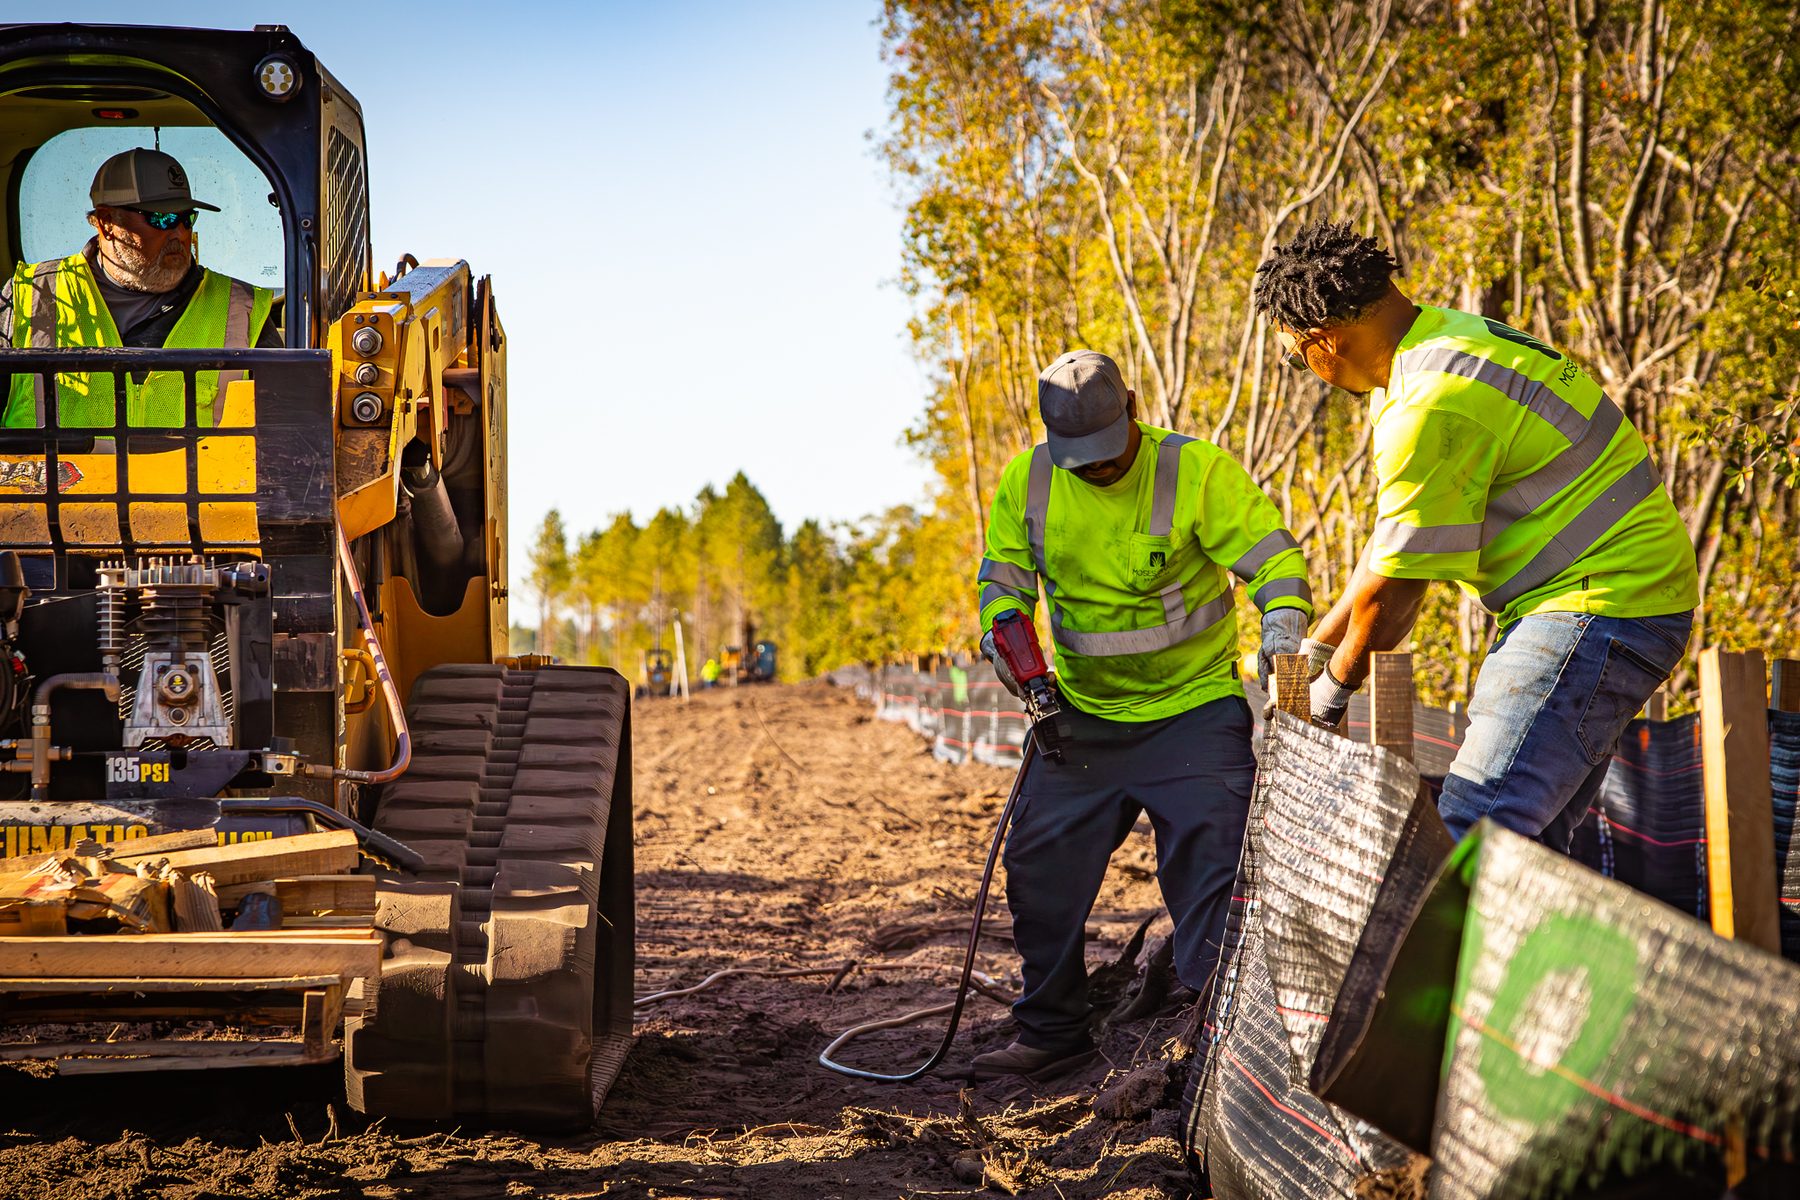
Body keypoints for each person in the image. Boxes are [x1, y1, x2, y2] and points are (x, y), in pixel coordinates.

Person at [1252, 220, 1699, 851]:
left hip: (1597, 607)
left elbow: (1395, 604)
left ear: (1326, 341)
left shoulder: (1428, 404)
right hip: (1623, 600)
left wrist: (1325, 698)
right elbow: (1387, 558)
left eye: (1297, 356)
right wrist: (1315, 652)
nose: (1304, 368)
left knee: (1471, 834)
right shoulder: (1437, 344)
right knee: (1527, 850)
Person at [972, 349, 1313, 1078]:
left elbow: (1276, 564)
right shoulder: (1028, 481)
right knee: (1039, 866)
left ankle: (1215, 1037)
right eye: (1078, 459)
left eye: (1104, 452)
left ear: (1132, 406)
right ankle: (1051, 1027)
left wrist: (1282, 629)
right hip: (1083, 718)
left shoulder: (1194, 471)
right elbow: (1002, 580)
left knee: (1214, 869)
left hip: (1193, 711)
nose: (1094, 469)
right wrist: (1004, 632)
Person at [3, 147, 279, 430]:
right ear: (107, 223)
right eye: (162, 218)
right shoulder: (31, 295)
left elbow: (284, 431)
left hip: (201, 476)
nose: (180, 234)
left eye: (186, 218)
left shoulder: (240, 310)